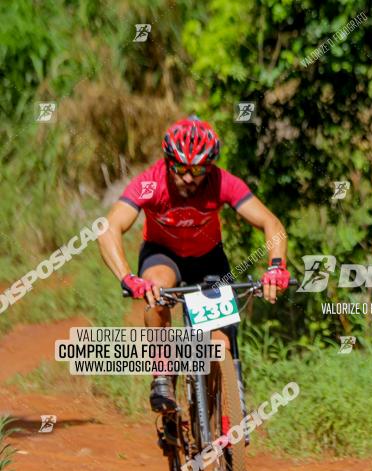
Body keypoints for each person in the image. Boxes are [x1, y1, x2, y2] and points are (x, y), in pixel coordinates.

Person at [98, 116, 291, 413]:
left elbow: (271, 223)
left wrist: (276, 266)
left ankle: (225, 410)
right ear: (167, 161)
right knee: (157, 290)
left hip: (208, 260)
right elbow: (108, 228)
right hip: (162, 256)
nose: (189, 177)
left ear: (210, 166)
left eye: (198, 169)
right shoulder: (150, 184)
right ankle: (163, 371)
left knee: (221, 344)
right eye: (181, 168)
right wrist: (127, 277)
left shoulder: (222, 183)